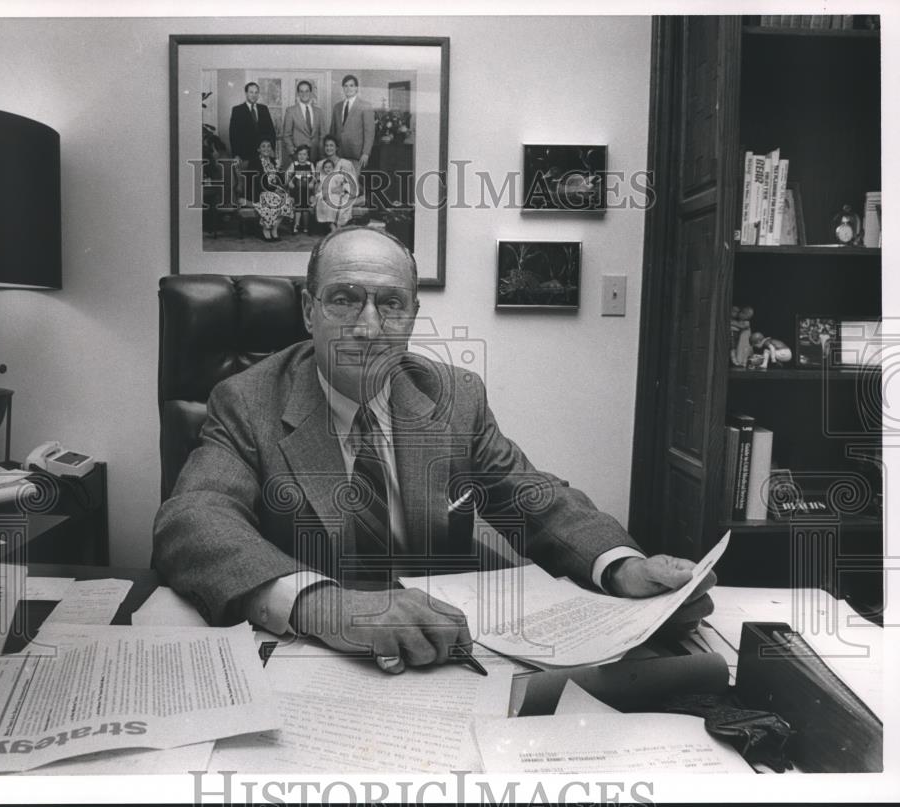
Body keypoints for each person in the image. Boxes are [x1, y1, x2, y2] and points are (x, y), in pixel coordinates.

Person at [153, 227, 716, 675]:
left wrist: (622, 567)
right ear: (308, 310)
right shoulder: (247, 400)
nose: (368, 328)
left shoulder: (452, 396)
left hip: (445, 652)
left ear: (412, 317)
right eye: (344, 299)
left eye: (390, 304)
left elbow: (533, 496)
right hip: (316, 658)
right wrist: (326, 605)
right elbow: (194, 518)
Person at [328, 74, 374, 194]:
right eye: (346, 86)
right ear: (343, 88)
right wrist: (331, 151)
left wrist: (366, 153)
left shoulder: (365, 106)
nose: (348, 88)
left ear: (356, 88)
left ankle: (351, 211)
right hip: (339, 153)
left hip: (356, 154)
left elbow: (369, 131)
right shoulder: (337, 107)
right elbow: (332, 130)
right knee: (339, 185)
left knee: (352, 185)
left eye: (351, 86)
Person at [252, 139, 294, 242]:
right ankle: (266, 229)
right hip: (261, 191)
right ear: (258, 149)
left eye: (268, 146)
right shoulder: (255, 162)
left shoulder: (274, 161)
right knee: (273, 201)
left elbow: (280, 179)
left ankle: (274, 229)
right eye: (263, 146)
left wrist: (279, 169)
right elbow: (256, 181)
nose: (266, 148)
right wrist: (272, 190)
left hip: (275, 190)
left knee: (287, 201)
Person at [229, 82, 277, 168]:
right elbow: (233, 134)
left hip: (264, 154)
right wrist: (236, 154)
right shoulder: (237, 110)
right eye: (251, 92)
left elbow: (271, 131)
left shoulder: (264, 109)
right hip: (245, 154)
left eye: (256, 92)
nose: (254, 95)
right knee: (249, 179)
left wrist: (272, 149)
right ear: (246, 93)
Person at [314, 136, 356, 230]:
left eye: (331, 145)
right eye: (326, 146)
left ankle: (338, 225)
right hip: (326, 192)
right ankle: (332, 226)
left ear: (336, 148)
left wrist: (341, 189)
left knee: (340, 200)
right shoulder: (320, 164)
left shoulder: (346, 163)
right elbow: (317, 183)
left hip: (343, 192)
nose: (329, 148)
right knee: (324, 198)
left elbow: (352, 183)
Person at [281, 80, 324, 164]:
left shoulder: (318, 111)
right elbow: (286, 135)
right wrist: (293, 153)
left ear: (311, 93)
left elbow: (323, 134)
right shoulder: (291, 111)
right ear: (298, 93)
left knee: (315, 177)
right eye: (301, 91)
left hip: (316, 156)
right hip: (298, 156)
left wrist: (321, 152)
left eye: (307, 91)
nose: (304, 94)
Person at [285, 144, 315, 234]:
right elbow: (288, 175)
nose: (302, 156)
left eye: (304, 154)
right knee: (298, 207)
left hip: (307, 191)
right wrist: (289, 182)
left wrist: (312, 182)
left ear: (308, 156)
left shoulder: (310, 165)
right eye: (300, 154)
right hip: (296, 190)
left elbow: (314, 176)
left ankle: (306, 227)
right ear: (297, 155)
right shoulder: (294, 164)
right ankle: (296, 225)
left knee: (306, 208)